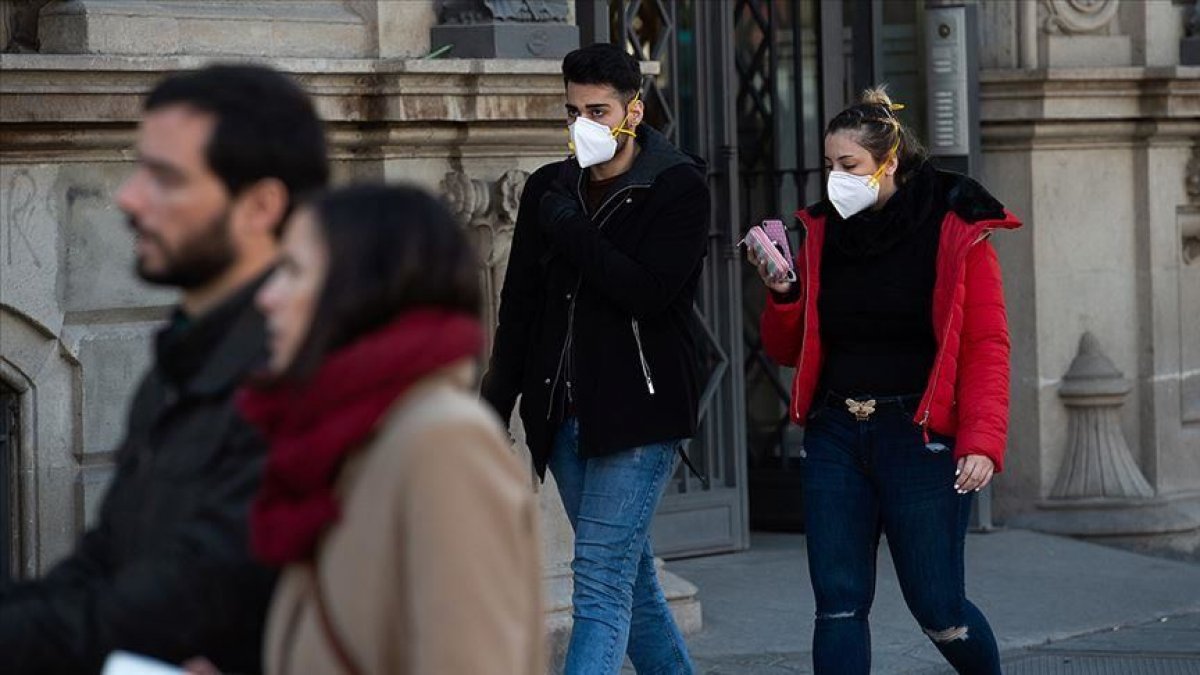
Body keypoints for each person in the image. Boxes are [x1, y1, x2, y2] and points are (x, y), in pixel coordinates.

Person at [0, 64, 329, 673]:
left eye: (166, 177)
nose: (129, 197)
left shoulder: (299, 375)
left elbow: (188, 597)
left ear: (260, 205)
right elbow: (108, 560)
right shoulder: (182, 360)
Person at [748, 86, 1020, 675]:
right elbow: (786, 350)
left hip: (918, 436)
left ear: (888, 162)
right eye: (829, 165)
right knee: (838, 606)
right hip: (835, 432)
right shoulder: (823, 231)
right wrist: (784, 295)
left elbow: (986, 345)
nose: (835, 179)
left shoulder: (955, 228)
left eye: (849, 166)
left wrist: (981, 441)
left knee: (939, 608)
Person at [226, 184, 542, 675]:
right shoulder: (344, 437)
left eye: (292, 271)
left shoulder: (444, 444)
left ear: (361, 292)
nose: (267, 298)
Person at [481, 42, 708, 675]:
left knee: (601, 582)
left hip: (640, 412)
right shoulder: (550, 187)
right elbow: (520, 306)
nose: (584, 123)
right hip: (563, 414)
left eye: (599, 110)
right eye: (574, 110)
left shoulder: (677, 186)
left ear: (634, 110)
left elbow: (649, 292)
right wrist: (495, 403)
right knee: (629, 582)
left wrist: (572, 230)